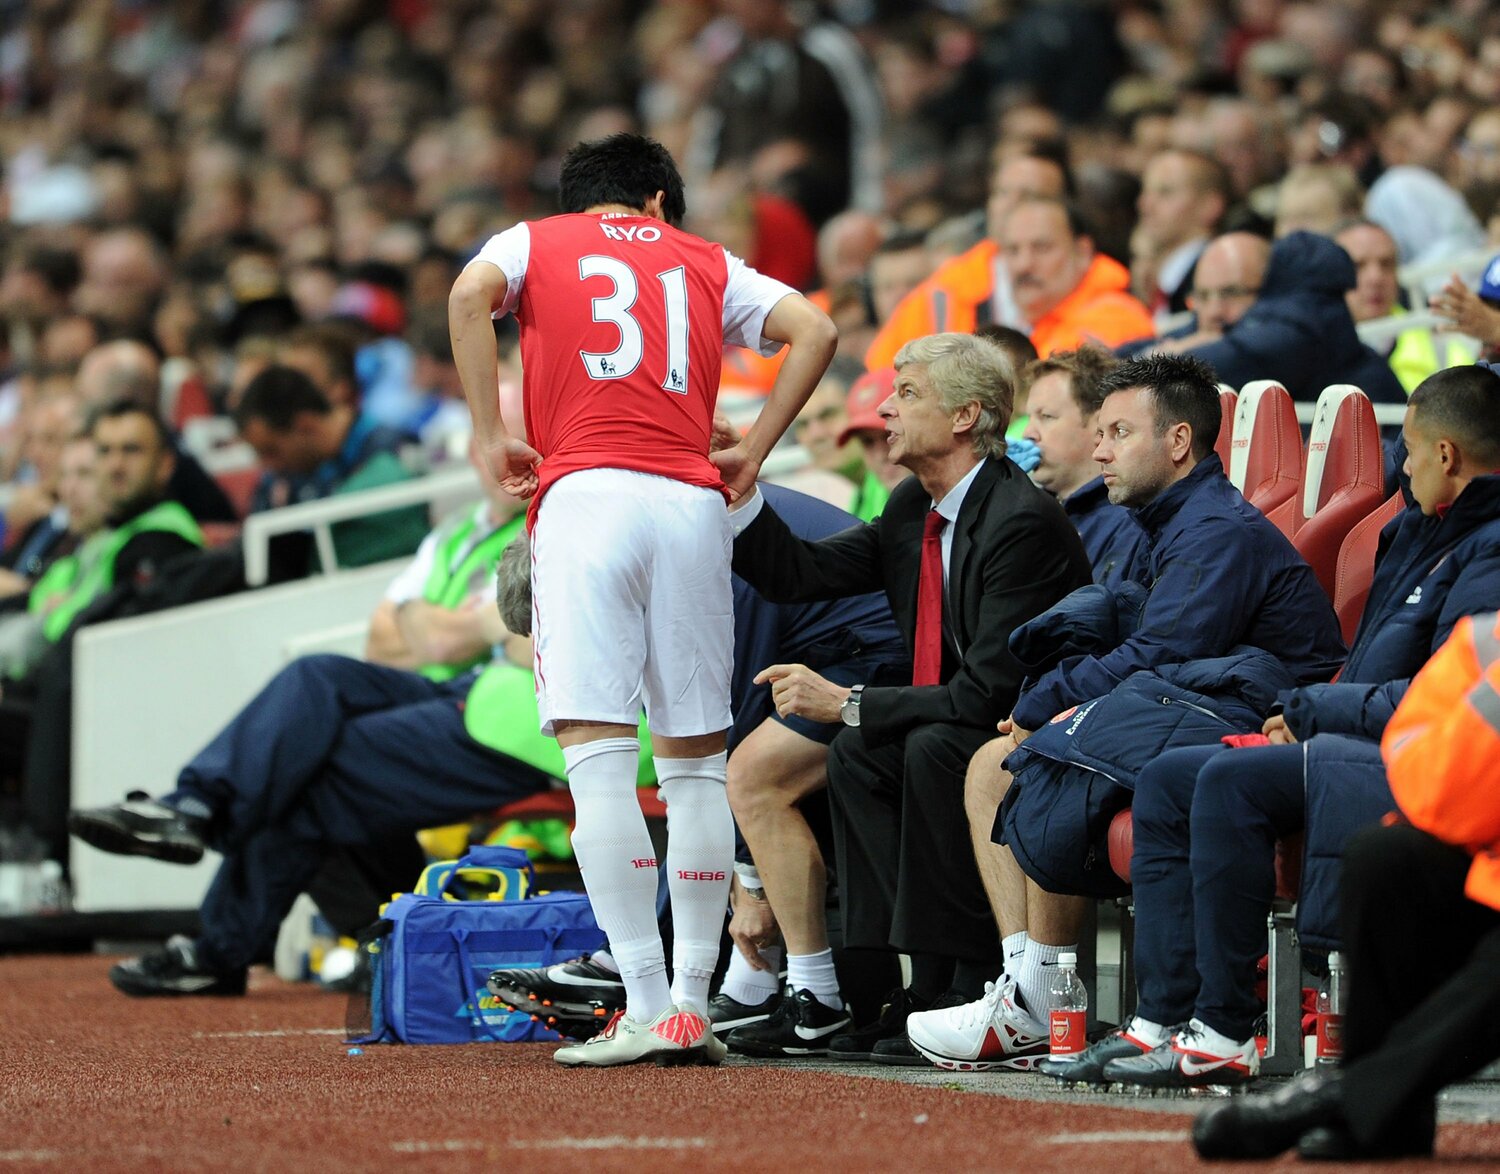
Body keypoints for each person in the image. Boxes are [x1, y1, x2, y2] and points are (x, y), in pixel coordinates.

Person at [447, 132, 836, 1067]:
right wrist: (757, 448)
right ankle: (694, 1005)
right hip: (691, 502)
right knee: (696, 761)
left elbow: (466, 298)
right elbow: (816, 331)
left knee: (599, 755)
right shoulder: (705, 259)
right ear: (660, 201)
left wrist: (486, 433)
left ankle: (645, 1001)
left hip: (586, 498)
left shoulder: (534, 241)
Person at [1061, 364, 1500, 1089]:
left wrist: (1309, 710)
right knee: (1171, 777)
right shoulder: (1424, 532)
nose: (1404, 468)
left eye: (1412, 452)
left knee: (1232, 781)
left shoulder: (1485, 549)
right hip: (1363, 734)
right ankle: (1161, 1022)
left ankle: (1227, 1030)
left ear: (1447, 457)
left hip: (1434, 763)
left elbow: (1442, 700)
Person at [910, 354, 1344, 1073]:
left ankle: (1042, 998)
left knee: (1040, 755)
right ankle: (1034, 990)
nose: (1100, 447)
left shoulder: (1215, 530)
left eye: (1117, 432)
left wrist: (1046, 703)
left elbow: (1157, 653)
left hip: (1257, 723)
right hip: (1192, 704)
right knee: (992, 762)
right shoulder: (1152, 521)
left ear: (1177, 442)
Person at [730, 331, 1093, 1065]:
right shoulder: (912, 507)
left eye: (907, 395)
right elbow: (799, 573)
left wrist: (851, 702)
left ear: (965, 417)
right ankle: (869, 989)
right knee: (863, 755)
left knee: (923, 746)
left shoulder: (1019, 519)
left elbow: (987, 690)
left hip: (1028, 726)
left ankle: (955, 981)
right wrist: (738, 489)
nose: (887, 411)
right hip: (961, 712)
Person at [68, 446, 545, 997]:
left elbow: (491, 640)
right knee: (315, 677)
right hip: (461, 691)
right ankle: (194, 807)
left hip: (518, 719)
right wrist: (471, 628)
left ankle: (221, 925)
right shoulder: (459, 531)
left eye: (521, 445)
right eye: (497, 445)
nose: (509, 462)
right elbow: (385, 639)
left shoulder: (557, 516)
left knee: (306, 771)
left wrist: (441, 624)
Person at [488, 481, 909, 1054]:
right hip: (845, 650)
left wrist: (750, 886)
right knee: (716, 780)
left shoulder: (700, 550)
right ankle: (738, 982)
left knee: (739, 777)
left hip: (887, 662)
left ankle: (803, 994)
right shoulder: (658, 529)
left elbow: (725, 726)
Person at [1194, 611, 1500, 1162]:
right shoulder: (1487, 638)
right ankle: (1384, 1119)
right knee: (1385, 859)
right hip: (1487, 852)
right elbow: (1433, 788)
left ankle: (1345, 1094)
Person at [14, 402, 206, 865]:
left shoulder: (162, 540)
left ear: (164, 464)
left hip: (101, 715)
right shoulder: (105, 538)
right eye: (105, 451)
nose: (115, 465)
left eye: (131, 450)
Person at [864, 153, 1071, 369]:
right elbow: (882, 375)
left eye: (1029, 194)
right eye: (1002, 192)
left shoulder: (1103, 294)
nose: (1011, 204)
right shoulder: (944, 291)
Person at [233, 364, 430, 573]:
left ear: (305, 425)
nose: (268, 466)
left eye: (271, 450)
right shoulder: (289, 479)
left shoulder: (393, 452)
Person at [1183, 230, 1407, 403]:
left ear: (1265, 288)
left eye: (1231, 293)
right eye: (1202, 296)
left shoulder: (1290, 335)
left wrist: (1171, 357)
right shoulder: (1206, 334)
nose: (1214, 311)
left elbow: (1246, 355)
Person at [1018, 347, 1148, 588]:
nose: (1028, 434)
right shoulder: (1031, 511)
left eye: (1046, 416)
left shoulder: (1131, 521)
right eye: (1029, 419)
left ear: (1100, 423)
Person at [997, 198, 1155, 358]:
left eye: (1041, 248)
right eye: (1013, 250)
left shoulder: (1115, 318)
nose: (1023, 265)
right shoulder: (1031, 323)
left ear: (1082, 252)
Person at [1335, 218, 1474, 393]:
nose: (1376, 277)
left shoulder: (1445, 352)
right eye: (1357, 266)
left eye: (1386, 264)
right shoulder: (1309, 350)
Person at [1134, 149, 1230, 317]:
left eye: (1165, 192)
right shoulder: (1146, 281)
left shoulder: (1218, 280)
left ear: (1210, 206)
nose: (1145, 205)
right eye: (1145, 191)